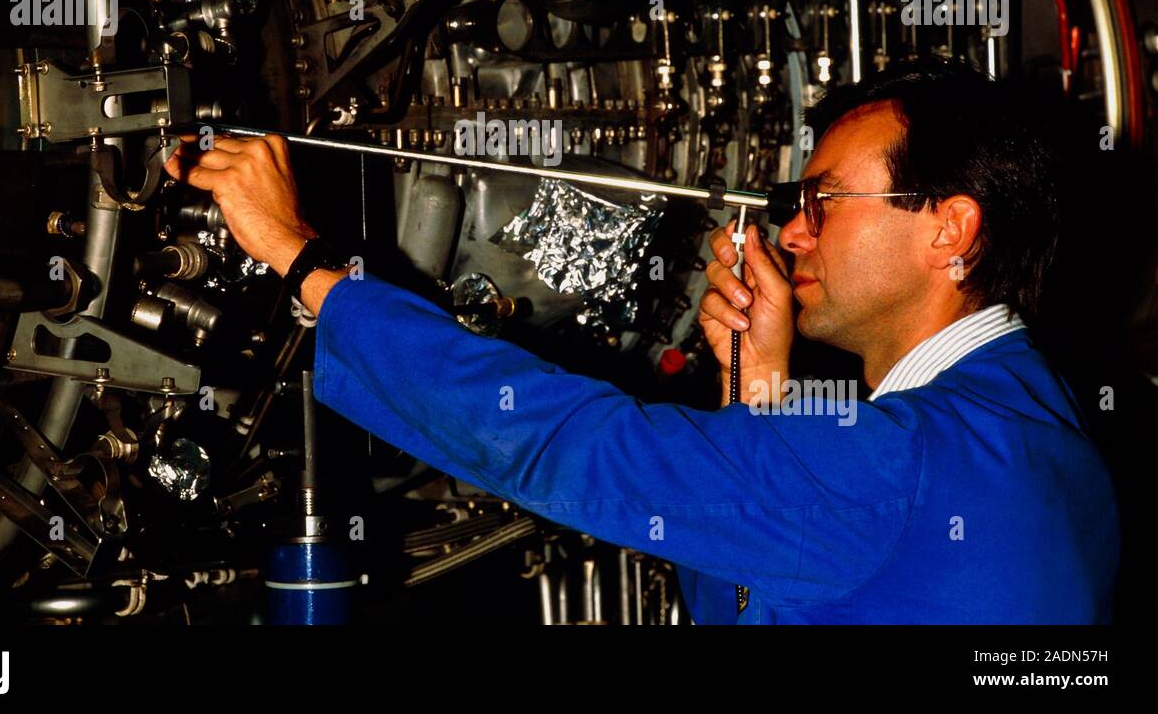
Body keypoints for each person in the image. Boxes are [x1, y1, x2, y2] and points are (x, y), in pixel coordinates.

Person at [164, 59, 1118, 623]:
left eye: (823, 202)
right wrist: (766, 400)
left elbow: (566, 443)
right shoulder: (1048, 425)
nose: (791, 233)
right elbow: (782, 580)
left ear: (949, 229)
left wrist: (304, 262)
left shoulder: (892, 461)